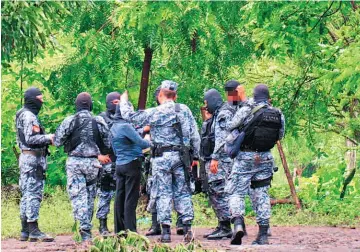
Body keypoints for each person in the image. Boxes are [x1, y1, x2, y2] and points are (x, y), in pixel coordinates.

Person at [119, 80, 201, 243]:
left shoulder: (157, 112)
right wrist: (196, 157)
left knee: (163, 193)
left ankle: (165, 232)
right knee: (183, 192)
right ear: (175, 95)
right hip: (181, 158)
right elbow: (195, 136)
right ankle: (187, 229)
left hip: (161, 158)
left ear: (160, 95)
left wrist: (124, 102)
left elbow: (131, 118)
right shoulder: (184, 110)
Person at [226, 84, 285, 245]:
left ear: (254, 96)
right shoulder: (278, 113)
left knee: (236, 192)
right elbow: (280, 135)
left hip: (245, 156)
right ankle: (263, 234)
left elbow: (231, 126)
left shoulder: (246, 109)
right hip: (265, 157)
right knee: (262, 194)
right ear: (269, 98)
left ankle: (238, 224)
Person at [54, 92, 112, 242]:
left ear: (77, 105)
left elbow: (58, 141)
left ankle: (85, 230)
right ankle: (87, 227)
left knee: (78, 195)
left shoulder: (70, 121)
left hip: (75, 163)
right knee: (90, 196)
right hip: (93, 163)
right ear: (91, 105)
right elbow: (108, 143)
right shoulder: (98, 121)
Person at [15, 87, 54, 242]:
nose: (42, 101)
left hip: (25, 158)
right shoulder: (30, 116)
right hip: (33, 159)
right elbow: (31, 139)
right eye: (40, 98)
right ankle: (34, 229)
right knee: (33, 194)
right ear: (33, 99)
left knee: (26, 194)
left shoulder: (20, 113)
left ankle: (25, 230)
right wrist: (48, 137)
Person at [145, 86, 184, 237]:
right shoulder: (155, 113)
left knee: (169, 191)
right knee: (156, 190)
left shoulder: (177, 112)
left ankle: (176, 224)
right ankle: (158, 225)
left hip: (166, 157)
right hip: (160, 156)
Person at [111, 103, 150, 233]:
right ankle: (131, 231)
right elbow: (143, 144)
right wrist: (148, 138)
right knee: (130, 199)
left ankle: (119, 230)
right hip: (132, 164)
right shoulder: (126, 126)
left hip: (120, 164)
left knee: (119, 198)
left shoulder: (114, 126)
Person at [201, 89, 234, 240]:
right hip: (220, 159)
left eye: (206, 103)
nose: (205, 106)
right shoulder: (219, 113)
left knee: (219, 190)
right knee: (216, 191)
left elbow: (222, 139)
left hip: (221, 160)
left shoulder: (222, 114)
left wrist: (214, 158)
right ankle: (223, 224)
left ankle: (226, 227)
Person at [96, 92, 120, 235]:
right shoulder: (100, 119)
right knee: (105, 193)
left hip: (122, 161)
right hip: (107, 161)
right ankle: (102, 225)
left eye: (119, 102)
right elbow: (92, 139)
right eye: (114, 102)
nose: (117, 105)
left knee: (122, 194)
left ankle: (122, 225)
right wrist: (97, 155)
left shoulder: (125, 117)